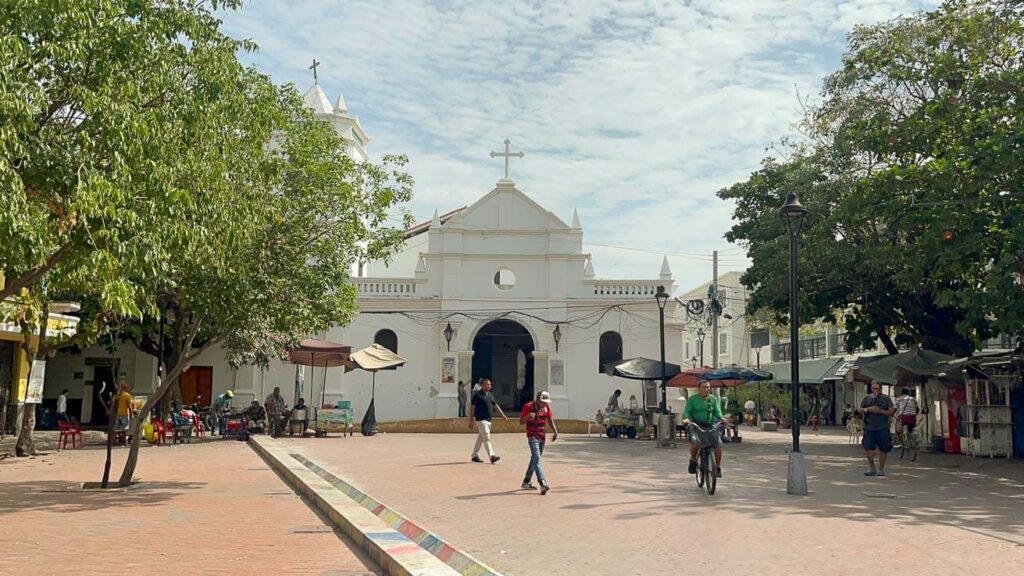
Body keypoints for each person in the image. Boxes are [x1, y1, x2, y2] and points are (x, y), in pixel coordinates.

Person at [682, 381, 724, 478]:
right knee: (695, 443)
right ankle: (693, 460)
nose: (707, 389)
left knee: (717, 445)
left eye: (708, 387)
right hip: (696, 425)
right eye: (704, 387)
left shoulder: (713, 399)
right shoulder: (692, 399)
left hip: (710, 425)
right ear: (699, 388)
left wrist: (722, 418)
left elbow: (718, 412)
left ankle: (717, 467)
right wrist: (686, 419)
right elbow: (687, 411)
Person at [520, 390, 558, 495]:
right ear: (537, 400)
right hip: (532, 435)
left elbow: (550, 419)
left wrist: (555, 431)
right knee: (537, 459)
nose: (544, 403)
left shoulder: (546, 407)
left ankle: (526, 481)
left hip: (542, 435)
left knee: (534, 459)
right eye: (542, 401)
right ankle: (543, 483)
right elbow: (521, 421)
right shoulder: (528, 406)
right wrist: (527, 417)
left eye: (546, 402)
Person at [468, 378, 508, 463]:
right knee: (487, 437)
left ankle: (475, 455)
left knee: (481, 438)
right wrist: (471, 420)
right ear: (482, 385)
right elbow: (472, 408)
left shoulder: (490, 395)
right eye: (487, 384)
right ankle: (492, 456)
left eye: (489, 384)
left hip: (489, 420)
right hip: (481, 420)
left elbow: (496, 406)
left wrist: (502, 415)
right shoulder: (477, 395)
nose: (489, 386)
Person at [860, 380, 895, 477]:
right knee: (869, 448)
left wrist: (880, 411)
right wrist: (868, 409)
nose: (876, 391)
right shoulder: (866, 398)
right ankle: (872, 468)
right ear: (871, 388)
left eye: (878, 389)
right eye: (874, 388)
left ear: (881, 389)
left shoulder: (886, 399)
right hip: (869, 427)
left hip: (882, 427)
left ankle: (881, 469)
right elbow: (859, 410)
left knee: (884, 448)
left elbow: (891, 412)